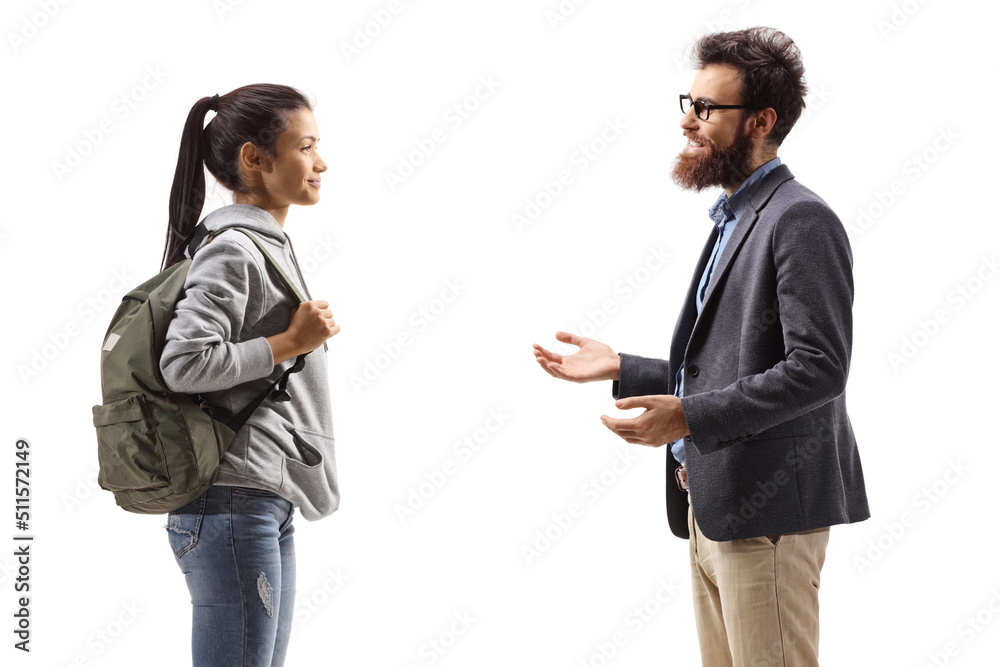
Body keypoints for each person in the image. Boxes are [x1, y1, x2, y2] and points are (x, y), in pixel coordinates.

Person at [533, 27, 869, 666]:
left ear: (761, 121)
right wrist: (624, 367)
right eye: (688, 102)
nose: (688, 120)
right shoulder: (736, 217)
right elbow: (734, 364)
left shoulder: (800, 219)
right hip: (714, 507)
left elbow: (819, 368)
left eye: (708, 108)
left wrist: (688, 416)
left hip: (769, 517)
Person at [158, 84, 341, 667]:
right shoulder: (235, 249)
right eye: (306, 147)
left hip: (258, 498)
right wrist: (291, 342)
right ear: (254, 159)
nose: (321, 162)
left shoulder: (262, 244)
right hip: (232, 502)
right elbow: (184, 362)